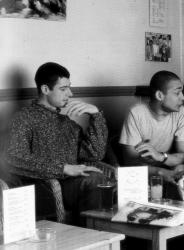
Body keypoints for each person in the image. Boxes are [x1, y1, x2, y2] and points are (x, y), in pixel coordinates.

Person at [6, 62, 108, 225]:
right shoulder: (24, 118)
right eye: (63, 89)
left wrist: (95, 115)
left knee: (108, 180)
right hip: (46, 187)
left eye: (69, 87)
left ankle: (107, 238)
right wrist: (64, 168)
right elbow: (15, 158)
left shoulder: (66, 123)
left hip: (73, 183)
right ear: (45, 89)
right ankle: (95, 239)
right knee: (95, 181)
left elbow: (95, 154)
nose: (70, 93)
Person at [119, 70, 184, 196]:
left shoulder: (182, 112)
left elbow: (183, 155)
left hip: (166, 166)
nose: (183, 97)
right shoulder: (136, 113)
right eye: (177, 93)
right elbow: (130, 163)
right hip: (139, 175)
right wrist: (160, 172)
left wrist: (161, 156)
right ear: (159, 95)